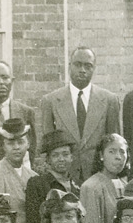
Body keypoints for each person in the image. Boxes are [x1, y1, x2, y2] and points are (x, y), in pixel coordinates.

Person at [41, 47, 123, 181]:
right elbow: (48, 146)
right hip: (64, 177)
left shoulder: (109, 100)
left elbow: (114, 144)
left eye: (88, 66)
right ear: (69, 66)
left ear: (94, 68)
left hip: (98, 175)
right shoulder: (51, 101)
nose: (82, 70)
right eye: (78, 65)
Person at [25, 130, 83, 223]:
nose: (61, 159)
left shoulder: (78, 186)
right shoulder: (37, 184)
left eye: (65, 154)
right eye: (55, 155)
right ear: (48, 159)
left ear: (71, 157)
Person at [78, 133, 132, 223]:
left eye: (122, 152)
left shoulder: (127, 185)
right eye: (112, 152)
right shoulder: (91, 186)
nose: (118, 157)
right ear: (101, 155)